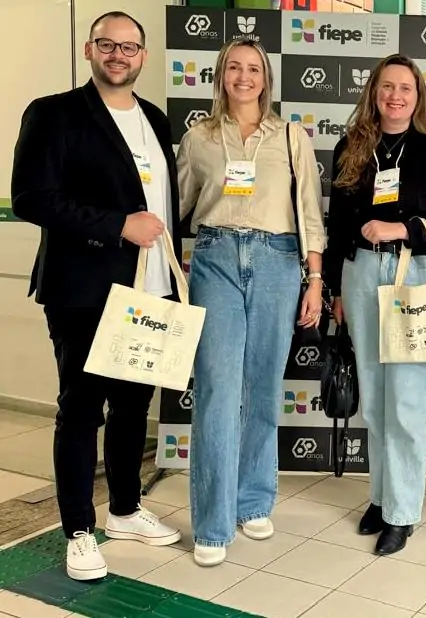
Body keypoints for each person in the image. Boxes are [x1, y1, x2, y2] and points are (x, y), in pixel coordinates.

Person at [10, 11, 182, 581]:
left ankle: (126, 510)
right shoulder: (54, 113)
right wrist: (116, 225)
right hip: (84, 289)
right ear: (89, 50)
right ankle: (79, 531)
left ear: (143, 56)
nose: (118, 55)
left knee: (133, 407)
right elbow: (32, 197)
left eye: (129, 47)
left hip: (149, 289)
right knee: (82, 410)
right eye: (107, 44)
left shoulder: (154, 119)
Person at [176, 38, 325, 567]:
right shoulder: (198, 138)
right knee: (217, 389)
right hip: (215, 257)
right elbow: (178, 205)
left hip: (277, 260)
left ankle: (254, 499)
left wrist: (314, 279)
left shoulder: (290, 136)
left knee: (262, 387)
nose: (244, 77)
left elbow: (309, 211)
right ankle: (213, 524)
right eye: (234, 68)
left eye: (254, 69)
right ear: (221, 75)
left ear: (266, 79)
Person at [324, 54, 426, 556]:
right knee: (375, 400)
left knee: (407, 401)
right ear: (374, 92)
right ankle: (381, 496)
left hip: (414, 275)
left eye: (405, 88)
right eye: (387, 86)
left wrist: (402, 228)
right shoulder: (351, 147)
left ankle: (402, 513)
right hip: (360, 274)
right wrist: (336, 290)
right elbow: (337, 224)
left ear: (418, 97)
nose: (395, 96)